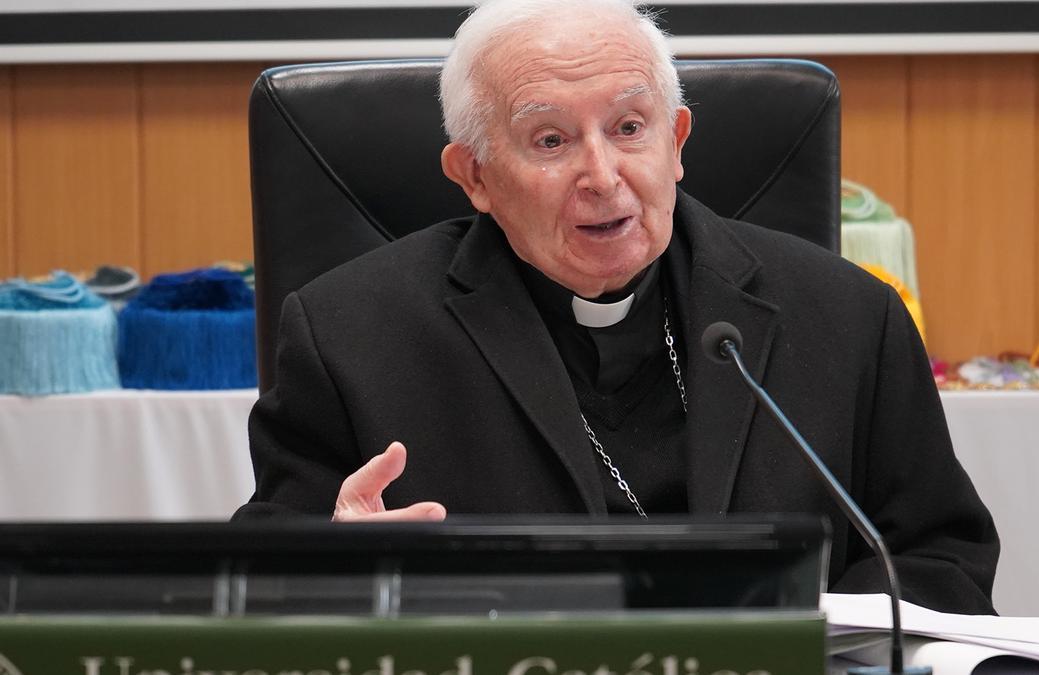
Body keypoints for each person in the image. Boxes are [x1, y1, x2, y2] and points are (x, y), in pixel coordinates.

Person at [235, 0, 1000, 614]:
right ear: (473, 175)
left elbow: (941, 561)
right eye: (550, 140)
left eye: (630, 128)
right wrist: (330, 567)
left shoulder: (848, 318)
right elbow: (251, 587)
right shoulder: (350, 335)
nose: (602, 174)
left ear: (676, 140)